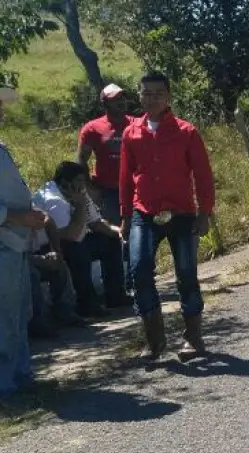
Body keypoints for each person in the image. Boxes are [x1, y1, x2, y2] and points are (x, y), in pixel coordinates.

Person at [119, 71, 217, 362]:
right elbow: (125, 178)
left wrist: (205, 212)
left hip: (182, 212)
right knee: (138, 269)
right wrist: (125, 216)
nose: (152, 99)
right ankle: (154, 338)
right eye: (146, 93)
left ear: (169, 96)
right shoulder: (131, 132)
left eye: (158, 93)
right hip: (144, 211)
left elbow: (202, 175)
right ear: (138, 96)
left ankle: (193, 337)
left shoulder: (186, 131)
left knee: (186, 273)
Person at [0, 84, 47, 397]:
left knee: (17, 312)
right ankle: (6, 384)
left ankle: (20, 374)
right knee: (4, 316)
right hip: (5, 240)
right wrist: (17, 218)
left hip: (13, 243)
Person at [31, 161, 123, 320]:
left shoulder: (79, 192)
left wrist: (120, 233)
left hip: (71, 239)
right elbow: (70, 235)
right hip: (48, 246)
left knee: (109, 240)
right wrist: (80, 205)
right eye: (80, 181)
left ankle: (115, 294)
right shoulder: (54, 200)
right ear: (65, 183)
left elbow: (96, 223)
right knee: (77, 251)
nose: (84, 185)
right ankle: (86, 303)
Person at [76, 82, 134, 308]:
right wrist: (90, 188)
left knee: (138, 235)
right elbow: (81, 160)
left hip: (135, 189)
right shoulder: (92, 128)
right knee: (116, 237)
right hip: (108, 191)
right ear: (104, 103)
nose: (120, 103)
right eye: (114, 99)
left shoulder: (135, 123)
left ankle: (136, 282)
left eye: (122, 98)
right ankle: (118, 289)